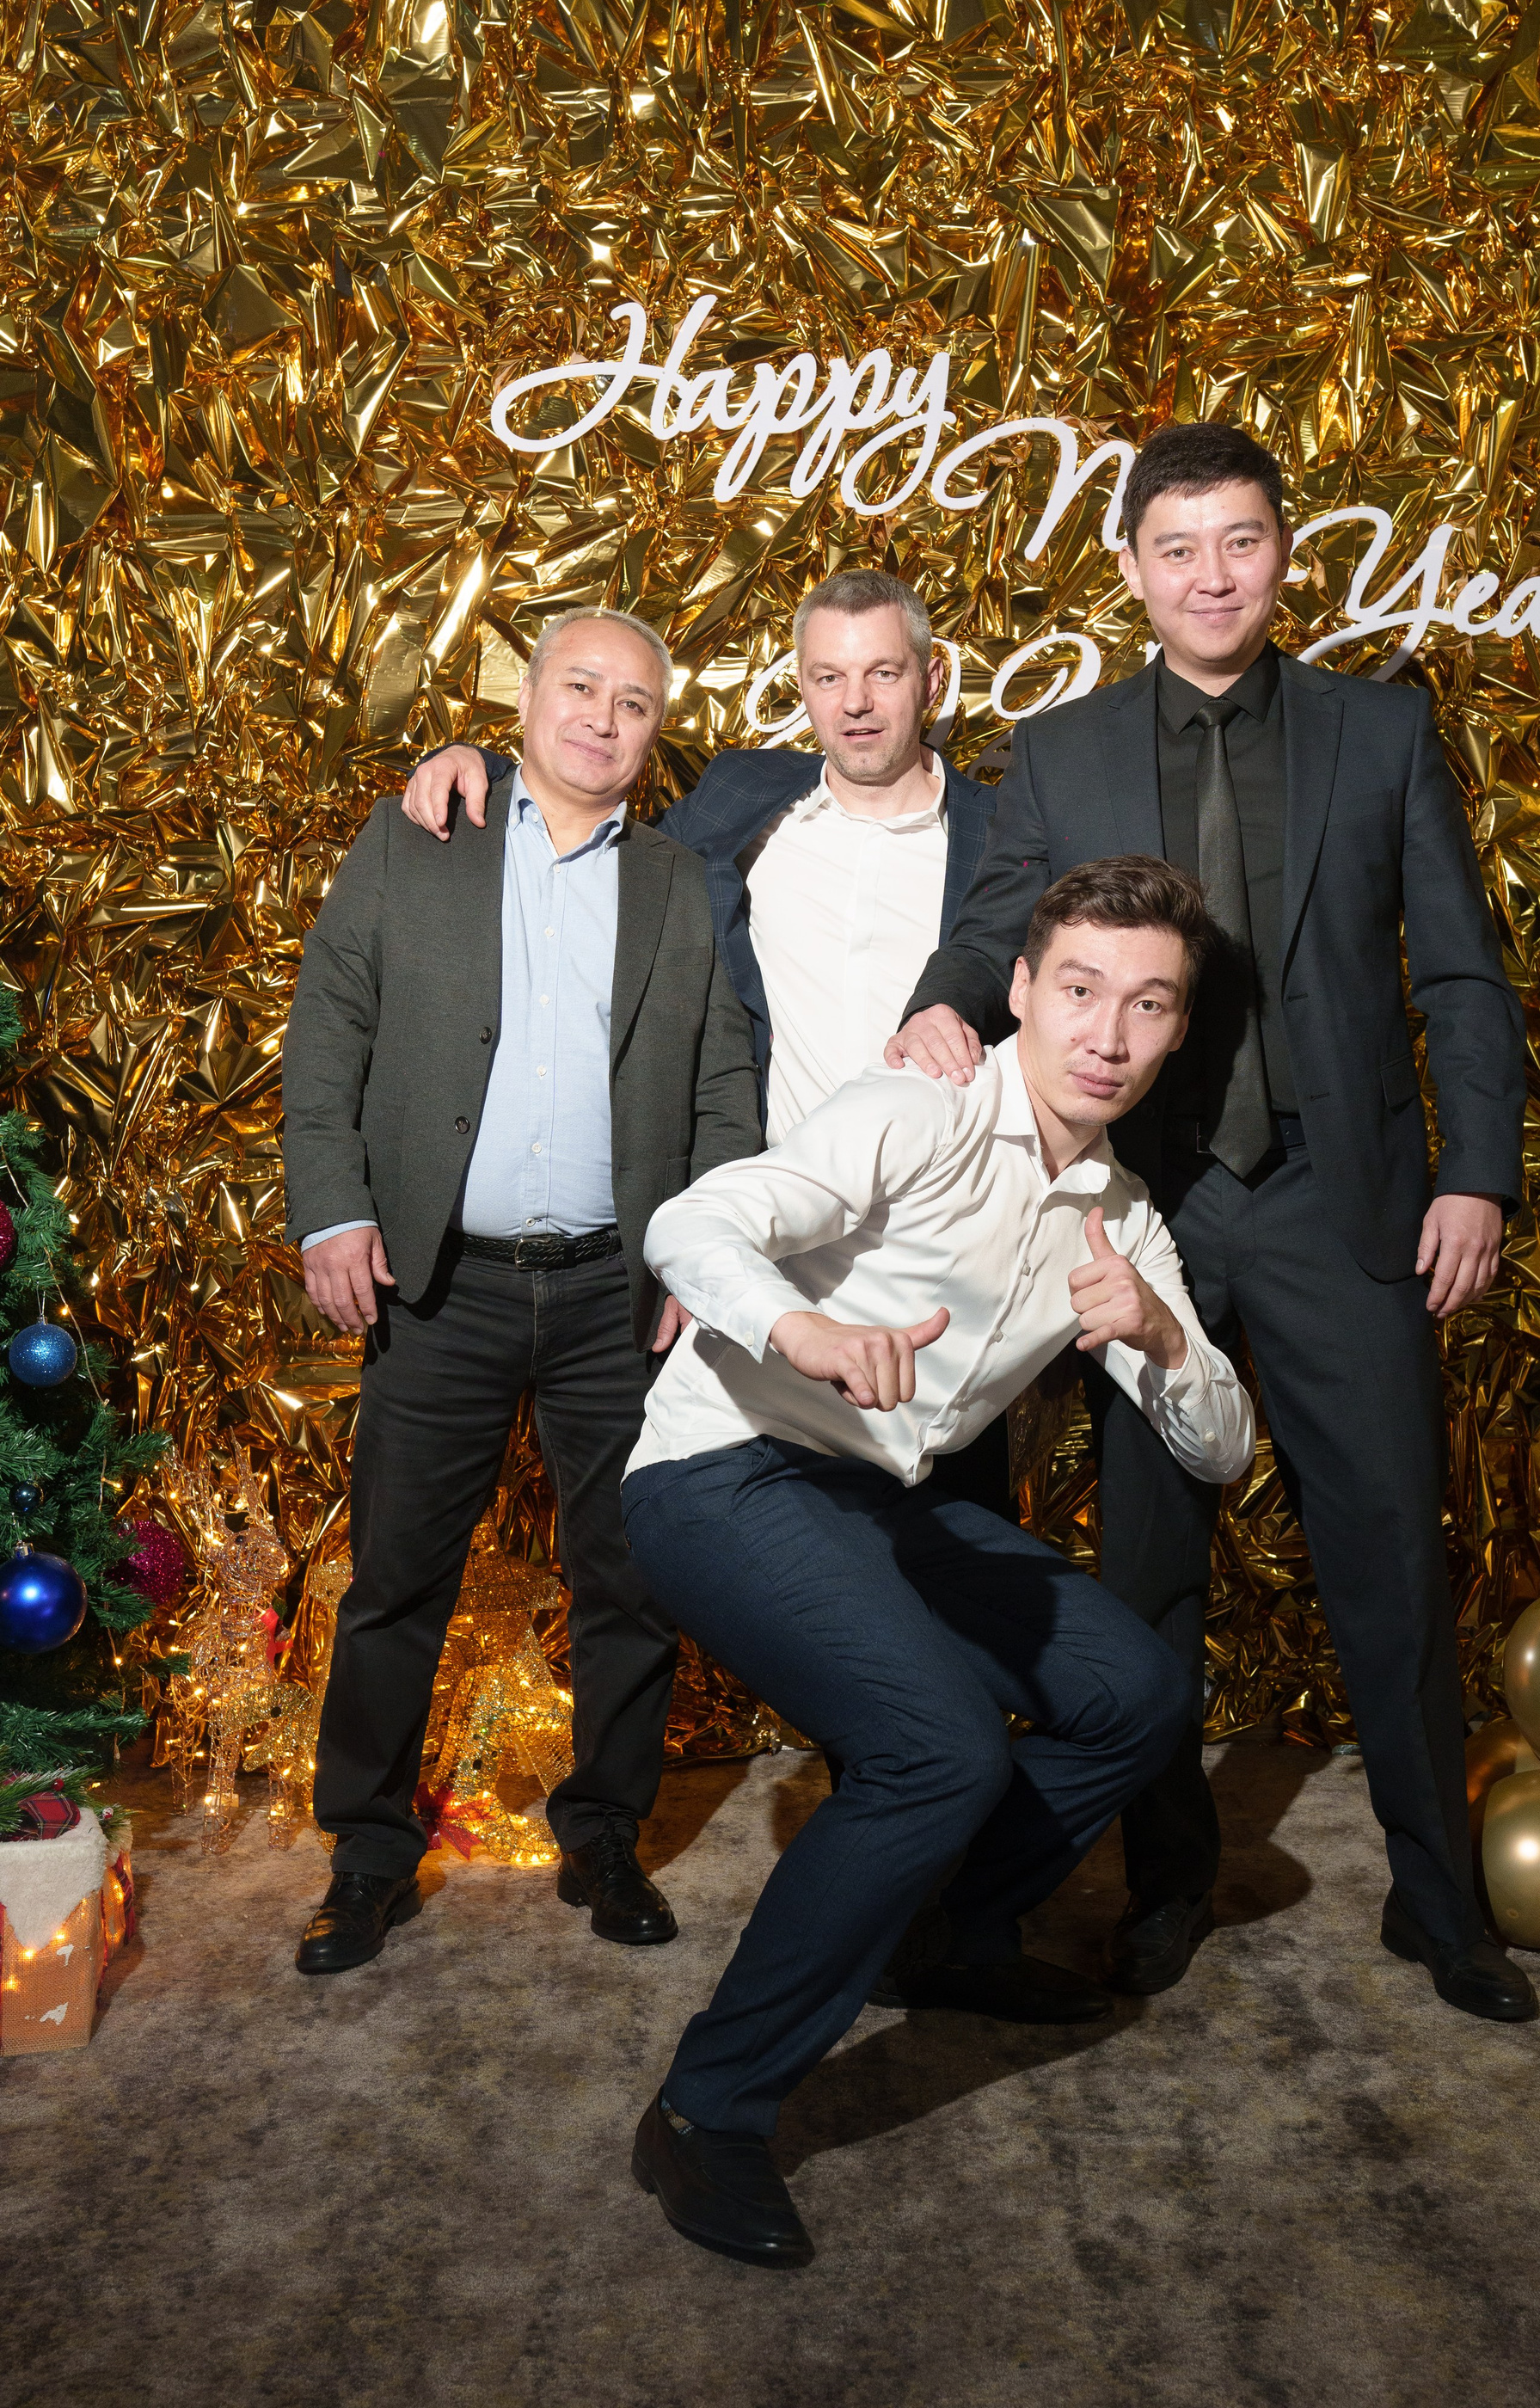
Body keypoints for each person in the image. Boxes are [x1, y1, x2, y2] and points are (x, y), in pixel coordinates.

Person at [889, 421, 1537, 2024]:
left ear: (1282, 553)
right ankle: (1166, 1887)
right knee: (1147, 1578)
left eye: (1240, 541)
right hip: (1145, 1205)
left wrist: (1478, 1173)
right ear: (1132, 569)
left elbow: (1461, 970)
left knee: (1390, 1560)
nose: (1212, 575)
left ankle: (1440, 1906)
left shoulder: (1381, 731)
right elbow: (998, 925)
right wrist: (940, 1005)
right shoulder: (1064, 749)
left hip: (1340, 1199)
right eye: (1177, 547)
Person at [619, 857, 1256, 2267]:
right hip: (724, 1469)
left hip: (881, 1500)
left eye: (1150, 1005)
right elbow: (691, 1224)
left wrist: (1159, 1333)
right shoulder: (918, 1110)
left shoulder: (1121, 1215)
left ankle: (948, 1936)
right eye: (1080, 989)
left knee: (1138, 1694)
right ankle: (705, 2110)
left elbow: (1222, 1449)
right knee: (937, 1750)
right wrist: (803, 1332)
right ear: (1020, 990)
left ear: (1175, 1031)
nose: (1109, 1033)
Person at [281, 608, 760, 1975]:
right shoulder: (419, 837)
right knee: (396, 1581)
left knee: (629, 1579)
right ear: (527, 700)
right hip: (441, 1287)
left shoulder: (681, 882)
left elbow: (723, 1080)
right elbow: (329, 1030)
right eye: (580, 686)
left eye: (635, 702)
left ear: (657, 732)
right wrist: (334, 1208)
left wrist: (705, 1255)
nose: (603, 718)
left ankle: (603, 1832)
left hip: (619, 1291)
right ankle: (368, 1852)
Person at [402, 570, 1009, 1512]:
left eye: (883, 674)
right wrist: (474, 759)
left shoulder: (1003, 837)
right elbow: (590, 818)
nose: (854, 703)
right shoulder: (745, 795)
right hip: (776, 1249)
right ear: (802, 686)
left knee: (954, 1536)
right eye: (829, 677)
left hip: (940, 1250)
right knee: (767, 1531)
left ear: (931, 682)